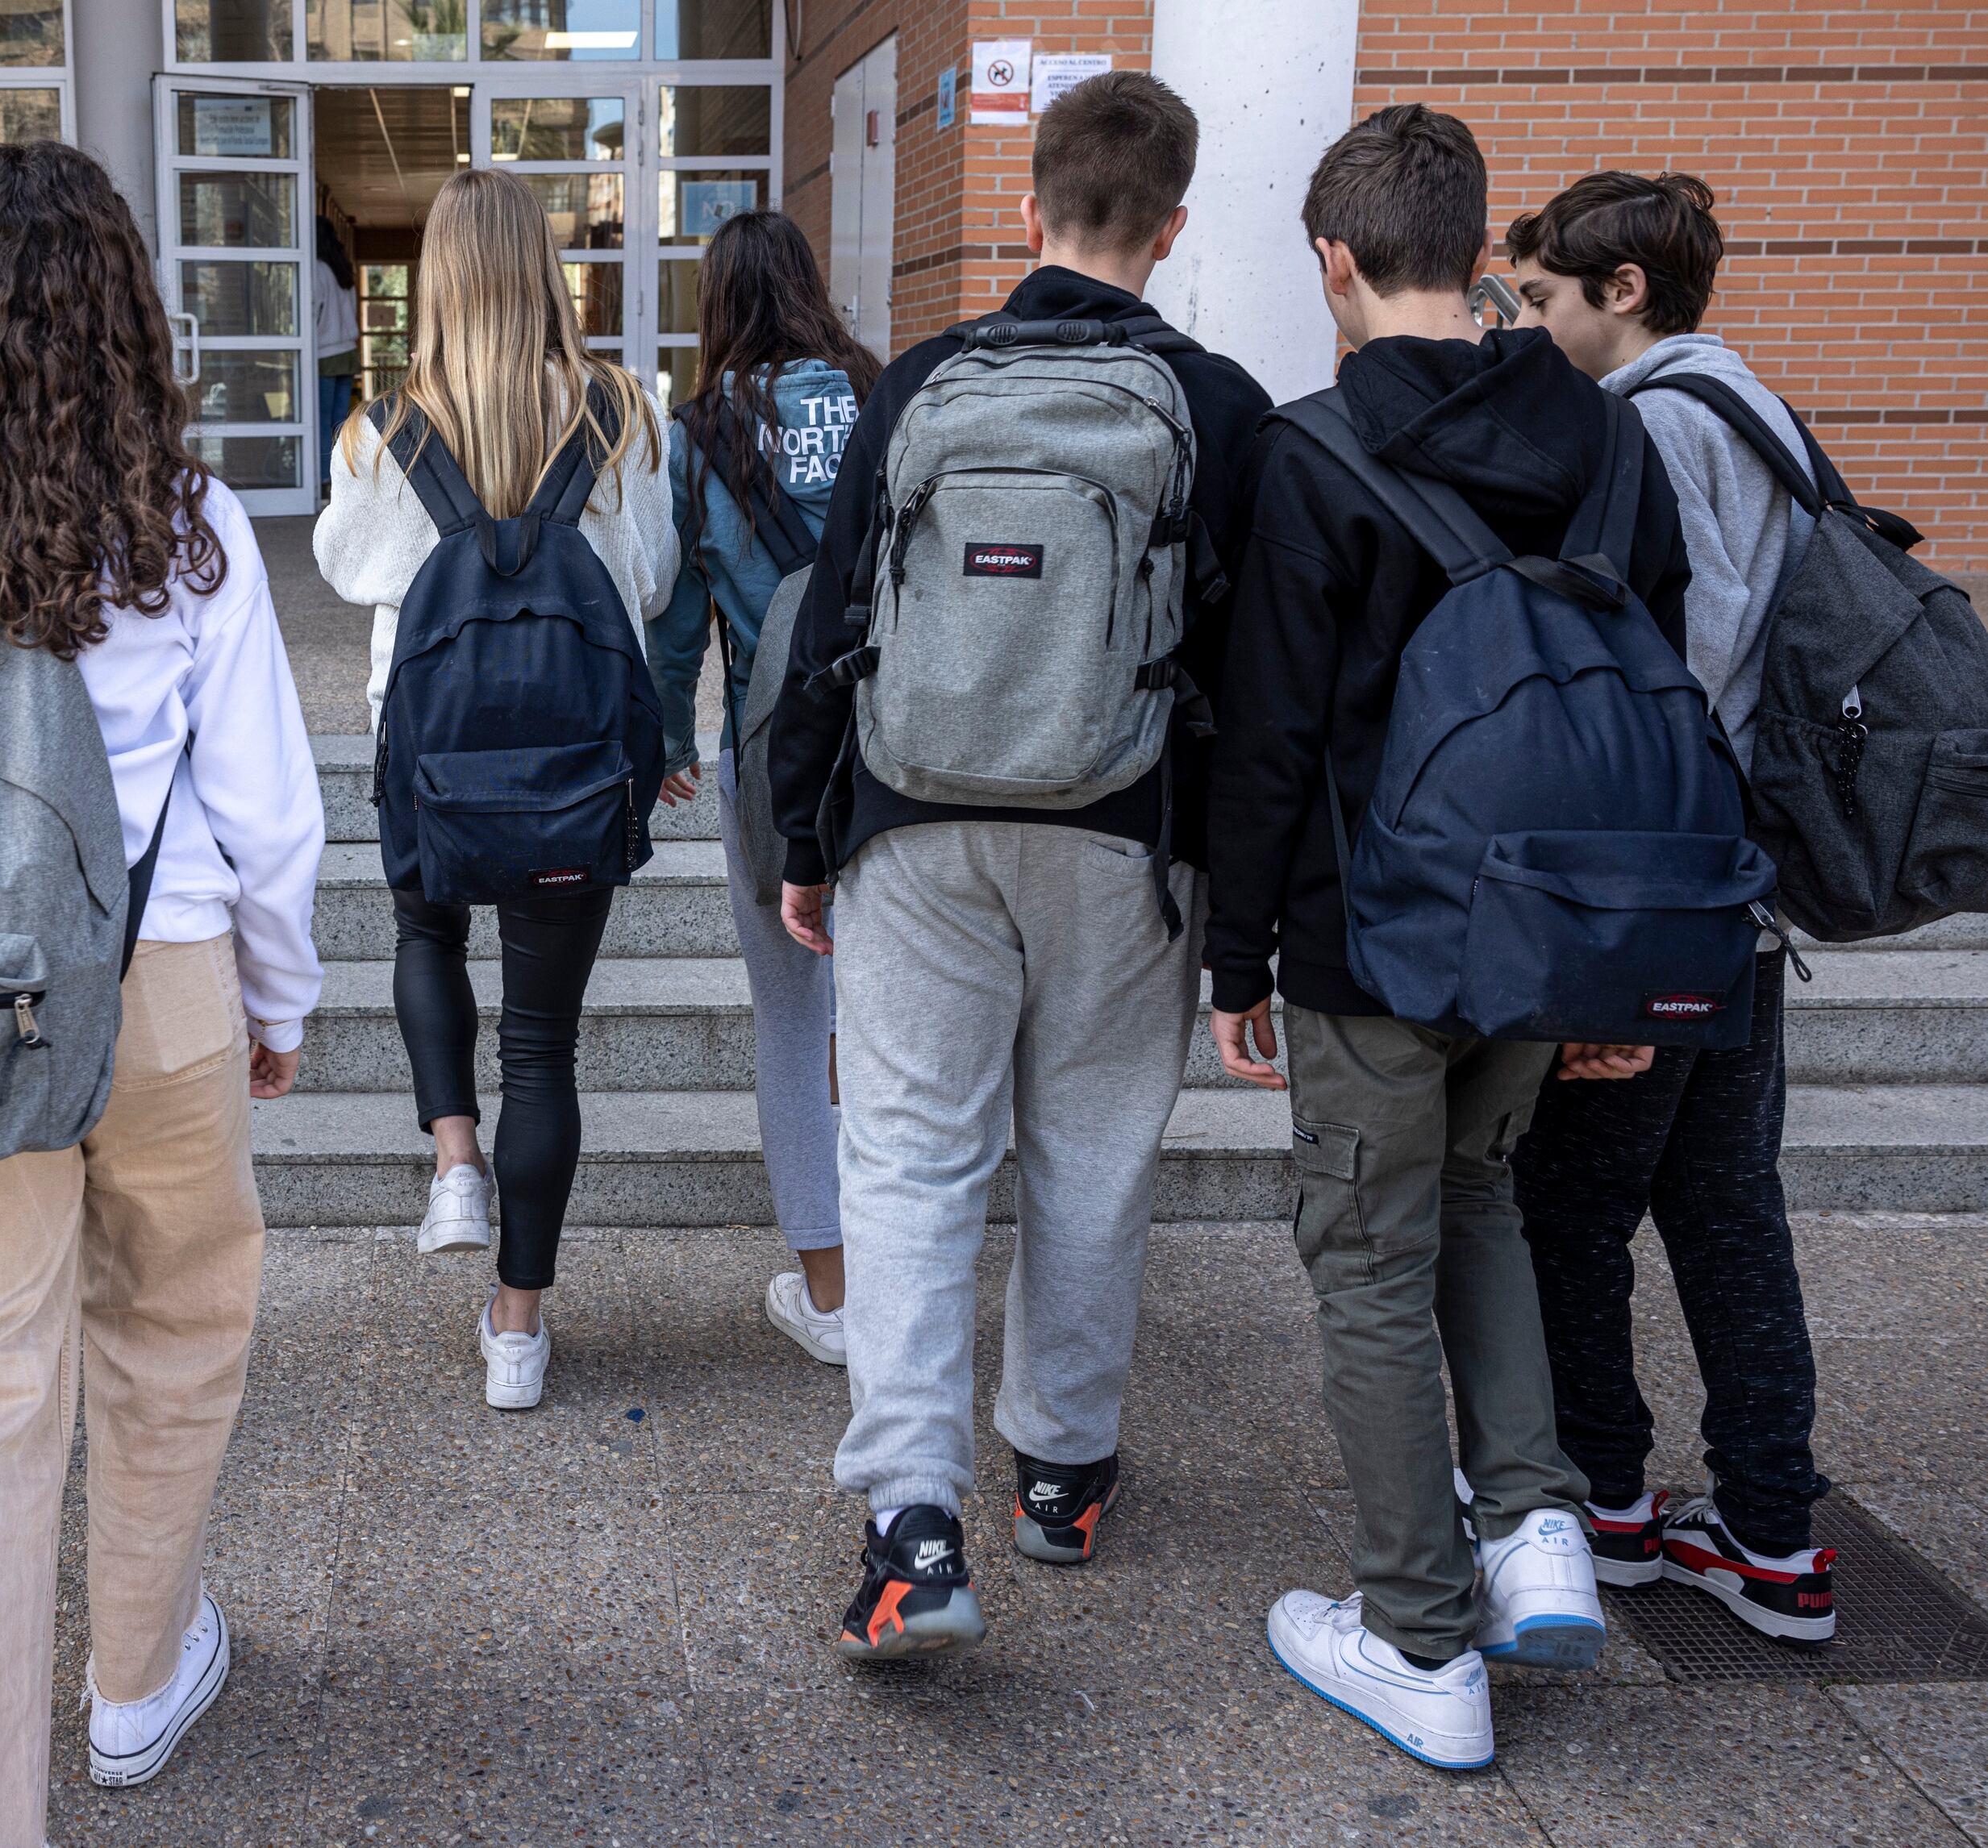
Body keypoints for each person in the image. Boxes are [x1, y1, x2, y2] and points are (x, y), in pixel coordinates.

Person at [0, 140, 322, 1848]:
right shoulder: (190, 529)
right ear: (128, 316)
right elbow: (261, 808)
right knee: (172, 1332)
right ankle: (132, 1684)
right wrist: (280, 997)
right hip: (157, 978)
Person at [761, 72, 1271, 1649]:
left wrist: (802, 835)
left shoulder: (918, 388)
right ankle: (1058, 1471)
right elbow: (1253, 681)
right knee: (1092, 1150)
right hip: (1127, 842)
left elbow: (833, 630)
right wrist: (1241, 929)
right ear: (1173, 225)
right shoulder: (1220, 408)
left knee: (908, 1159)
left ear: (1027, 208)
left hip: (913, 830)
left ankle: (912, 1520)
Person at [1205, 106, 1686, 1770]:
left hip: (1371, 942)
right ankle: (1536, 1527)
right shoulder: (1610, 442)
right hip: (1555, 933)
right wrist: (1629, 967)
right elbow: (1660, 704)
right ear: (1481, 253)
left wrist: (1234, 957)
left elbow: (1266, 735)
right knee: (1479, 1196)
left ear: (1333, 262)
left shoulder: (1307, 450)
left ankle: (1416, 1634)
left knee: (1364, 1260)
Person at [1502, 170, 1836, 1639]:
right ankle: (1773, 1535)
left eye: (1547, 297)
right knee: (1727, 1215)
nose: (1535, 321)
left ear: (1622, 290)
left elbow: (1657, 695)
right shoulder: (1767, 412)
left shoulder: (1649, 426)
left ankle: (1605, 1502)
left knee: (1568, 1210)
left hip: (1666, 903)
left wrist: (1606, 972)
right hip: (1754, 899)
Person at [315, 166, 675, 1411]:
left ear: (440, 277)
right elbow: (658, 575)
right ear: (546, 269)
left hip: (424, 760)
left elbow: (340, 563)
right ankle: (516, 1332)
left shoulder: (380, 430)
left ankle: (452, 1163)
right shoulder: (621, 416)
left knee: (422, 928)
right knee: (543, 1044)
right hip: (576, 772)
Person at [646, 209, 877, 1364]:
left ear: (718, 301)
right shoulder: (882, 391)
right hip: (899, 756)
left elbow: (681, 618)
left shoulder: (703, 431)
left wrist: (665, 739)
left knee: (792, 1024)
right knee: (900, 1022)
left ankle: (831, 1299)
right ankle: (905, 1272)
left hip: (773, 753)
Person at [315, 209, 362, 490]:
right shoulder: (343, 268)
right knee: (340, 422)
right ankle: (344, 479)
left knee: (320, 421)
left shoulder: (316, 270)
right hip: (347, 353)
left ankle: (324, 477)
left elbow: (312, 312)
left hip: (324, 353)